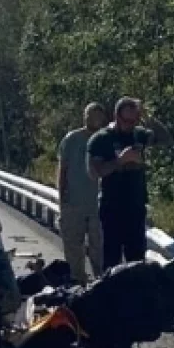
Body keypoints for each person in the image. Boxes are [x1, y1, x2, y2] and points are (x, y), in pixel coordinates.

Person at [87, 97, 174, 271]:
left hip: (135, 205)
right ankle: (111, 294)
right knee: (112, 258)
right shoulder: (101, 139)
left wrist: (149, 117)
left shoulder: (139, 134)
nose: (129, 125)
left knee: (136, 259)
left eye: (134, 121)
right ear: (116, 116)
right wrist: (120, 161)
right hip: (111, 207)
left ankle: (134, 295)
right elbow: (94, 172)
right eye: (126, 121)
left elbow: (166, 139)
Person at [57, 103, 107, 281]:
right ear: (84, 117)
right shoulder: (72, 139)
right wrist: (62, 198)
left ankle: (101, 280)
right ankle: (77, 280)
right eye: (89, 115)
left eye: (96, 115)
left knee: (98, 247)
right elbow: (63, 169)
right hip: (73, 202)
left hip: (97, 205)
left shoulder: (105, 139)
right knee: (73, 247)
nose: (92, 118)